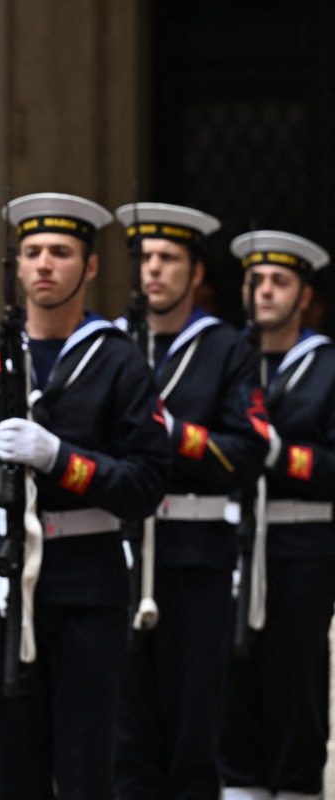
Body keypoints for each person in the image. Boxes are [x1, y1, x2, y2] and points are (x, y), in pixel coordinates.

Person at [0, 193, 170, 798]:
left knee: (87, 763)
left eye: (61, 252)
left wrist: (62, 459)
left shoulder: (119, 361)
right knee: (13, 765)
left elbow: (145, 483)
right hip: (6, 580)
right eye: (31, 252)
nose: (43, 265)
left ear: (89, 267)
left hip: (89, 579)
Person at [112, 202, 270, 800]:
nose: (153, 270)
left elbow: (248, 449)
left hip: (196, 557)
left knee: (193, 733)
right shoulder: (114, 343)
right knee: (125, 734)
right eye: (145, 258)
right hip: (121, 553)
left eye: (168, 259)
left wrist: (175, 435)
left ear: (195, 271)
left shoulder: (226, 349)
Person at [220, 231, 334, 800]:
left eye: (279, 282)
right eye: (256, 281)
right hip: (229, 539)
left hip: (301, 544)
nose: (265, 292)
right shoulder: (223, 358)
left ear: (304, 295)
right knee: (231, 687)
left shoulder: (327, 365)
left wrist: (279, 454)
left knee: (296, 690)